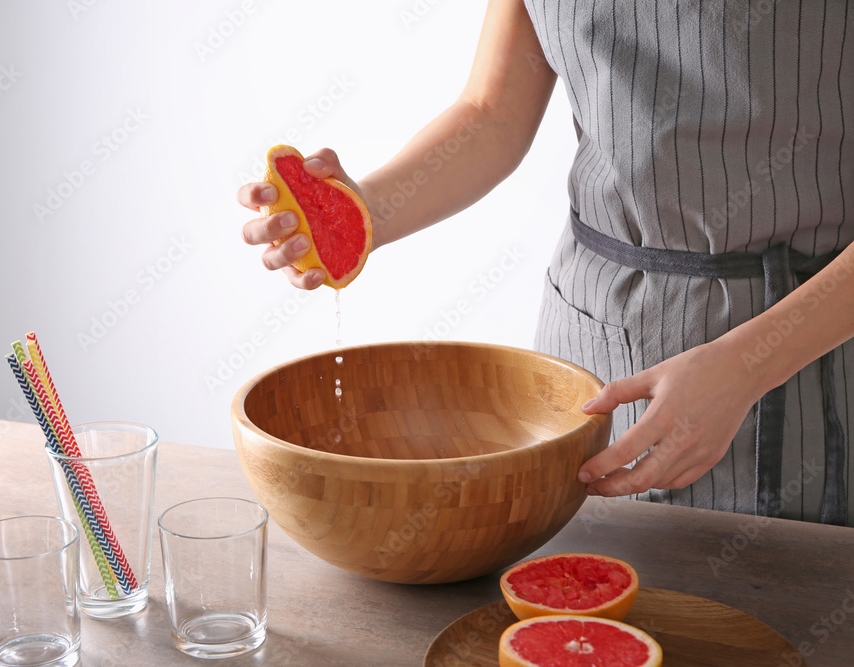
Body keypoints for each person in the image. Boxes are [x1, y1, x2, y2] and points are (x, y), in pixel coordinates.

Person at [238, 1, 854, 526]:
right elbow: (491, 111)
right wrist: (363, 214)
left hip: (802, 352)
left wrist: (746, 367)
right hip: (590, 339)